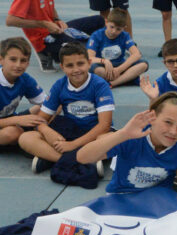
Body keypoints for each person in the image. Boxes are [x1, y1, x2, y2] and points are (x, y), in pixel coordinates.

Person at [76, 92, 177, 199]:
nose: (174, 132)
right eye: (168, 122)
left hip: (159, 201)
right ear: (152, 118)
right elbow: (82, 157)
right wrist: (123, 134)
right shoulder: (131, 138)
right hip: (121, 197)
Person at [18, 42, 113, 173]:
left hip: (95, 134)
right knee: (26, 138)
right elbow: (40, 119)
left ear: (89, 63)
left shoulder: (100, 85)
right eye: (69, 65)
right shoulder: (59, 85)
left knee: (111, 139)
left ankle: (50, 158)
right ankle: (72, 161)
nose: (76, 69)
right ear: (62, 67)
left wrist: (72, 145)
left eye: (80, 64)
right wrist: (46, 130)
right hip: (69, 131)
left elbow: (105, 125)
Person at [0, 37, 46, 147]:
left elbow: (48, 103)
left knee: (50, 107)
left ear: (28, 63)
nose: (18, 65)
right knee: (13, 133)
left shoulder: (24, 79)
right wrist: (18, 119)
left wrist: (42, 125)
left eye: (23, 60)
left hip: (9, 118)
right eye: (13, 59)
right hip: (9, 123)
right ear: (1, 60)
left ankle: (38, 132)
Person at [86, 8, 148, 87]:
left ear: (124, 28)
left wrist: (119, 69)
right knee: (95, 69)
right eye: (112, 27)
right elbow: (89, 57)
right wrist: (104, 61)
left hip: (119, 65)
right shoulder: (96, 35)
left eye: (118, 29)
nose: (114, 31)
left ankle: (112, 83)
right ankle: (126, 79)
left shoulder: (125, 35)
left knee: (144, 64)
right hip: (103, 66)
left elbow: (137, 54)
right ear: (106, 22)